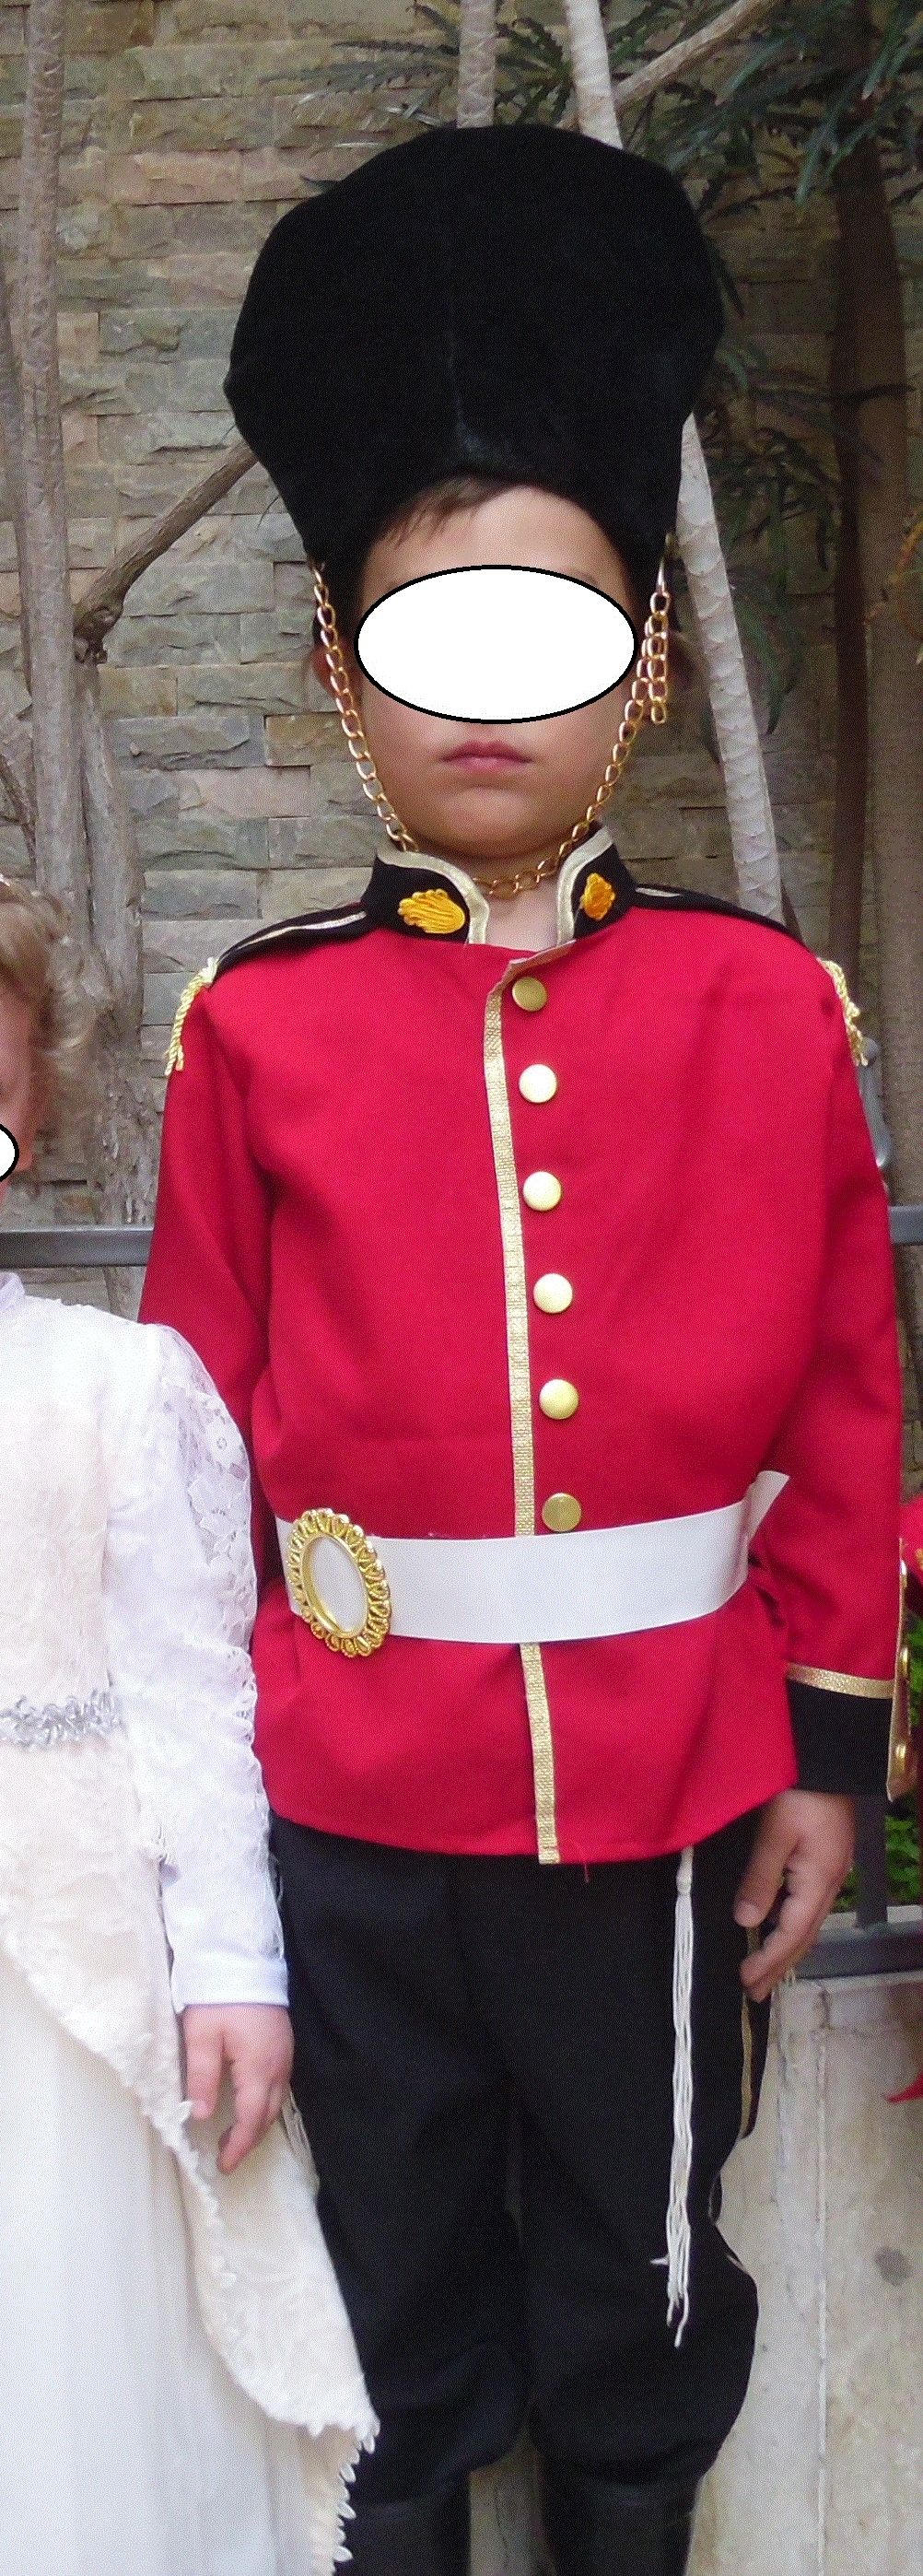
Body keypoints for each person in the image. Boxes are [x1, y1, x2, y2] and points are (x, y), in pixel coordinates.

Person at [138, 125, 903, 2576]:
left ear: (643, 663)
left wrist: (825, 1754)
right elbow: (186, 1463)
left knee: (637, 2281)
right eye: (423, 634)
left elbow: (845, 1413)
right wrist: (203, 1866)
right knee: (383, 2300)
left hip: (667, 1799)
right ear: (335, 670)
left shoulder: (767, 1013)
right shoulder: (256, 1033)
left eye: (550, 631)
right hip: (349, 1807)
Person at [0, 875, 375, 2576]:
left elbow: (193, 1697)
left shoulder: (114, 1386)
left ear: (31, 1107)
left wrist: (233, 1967)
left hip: (66, 2008)